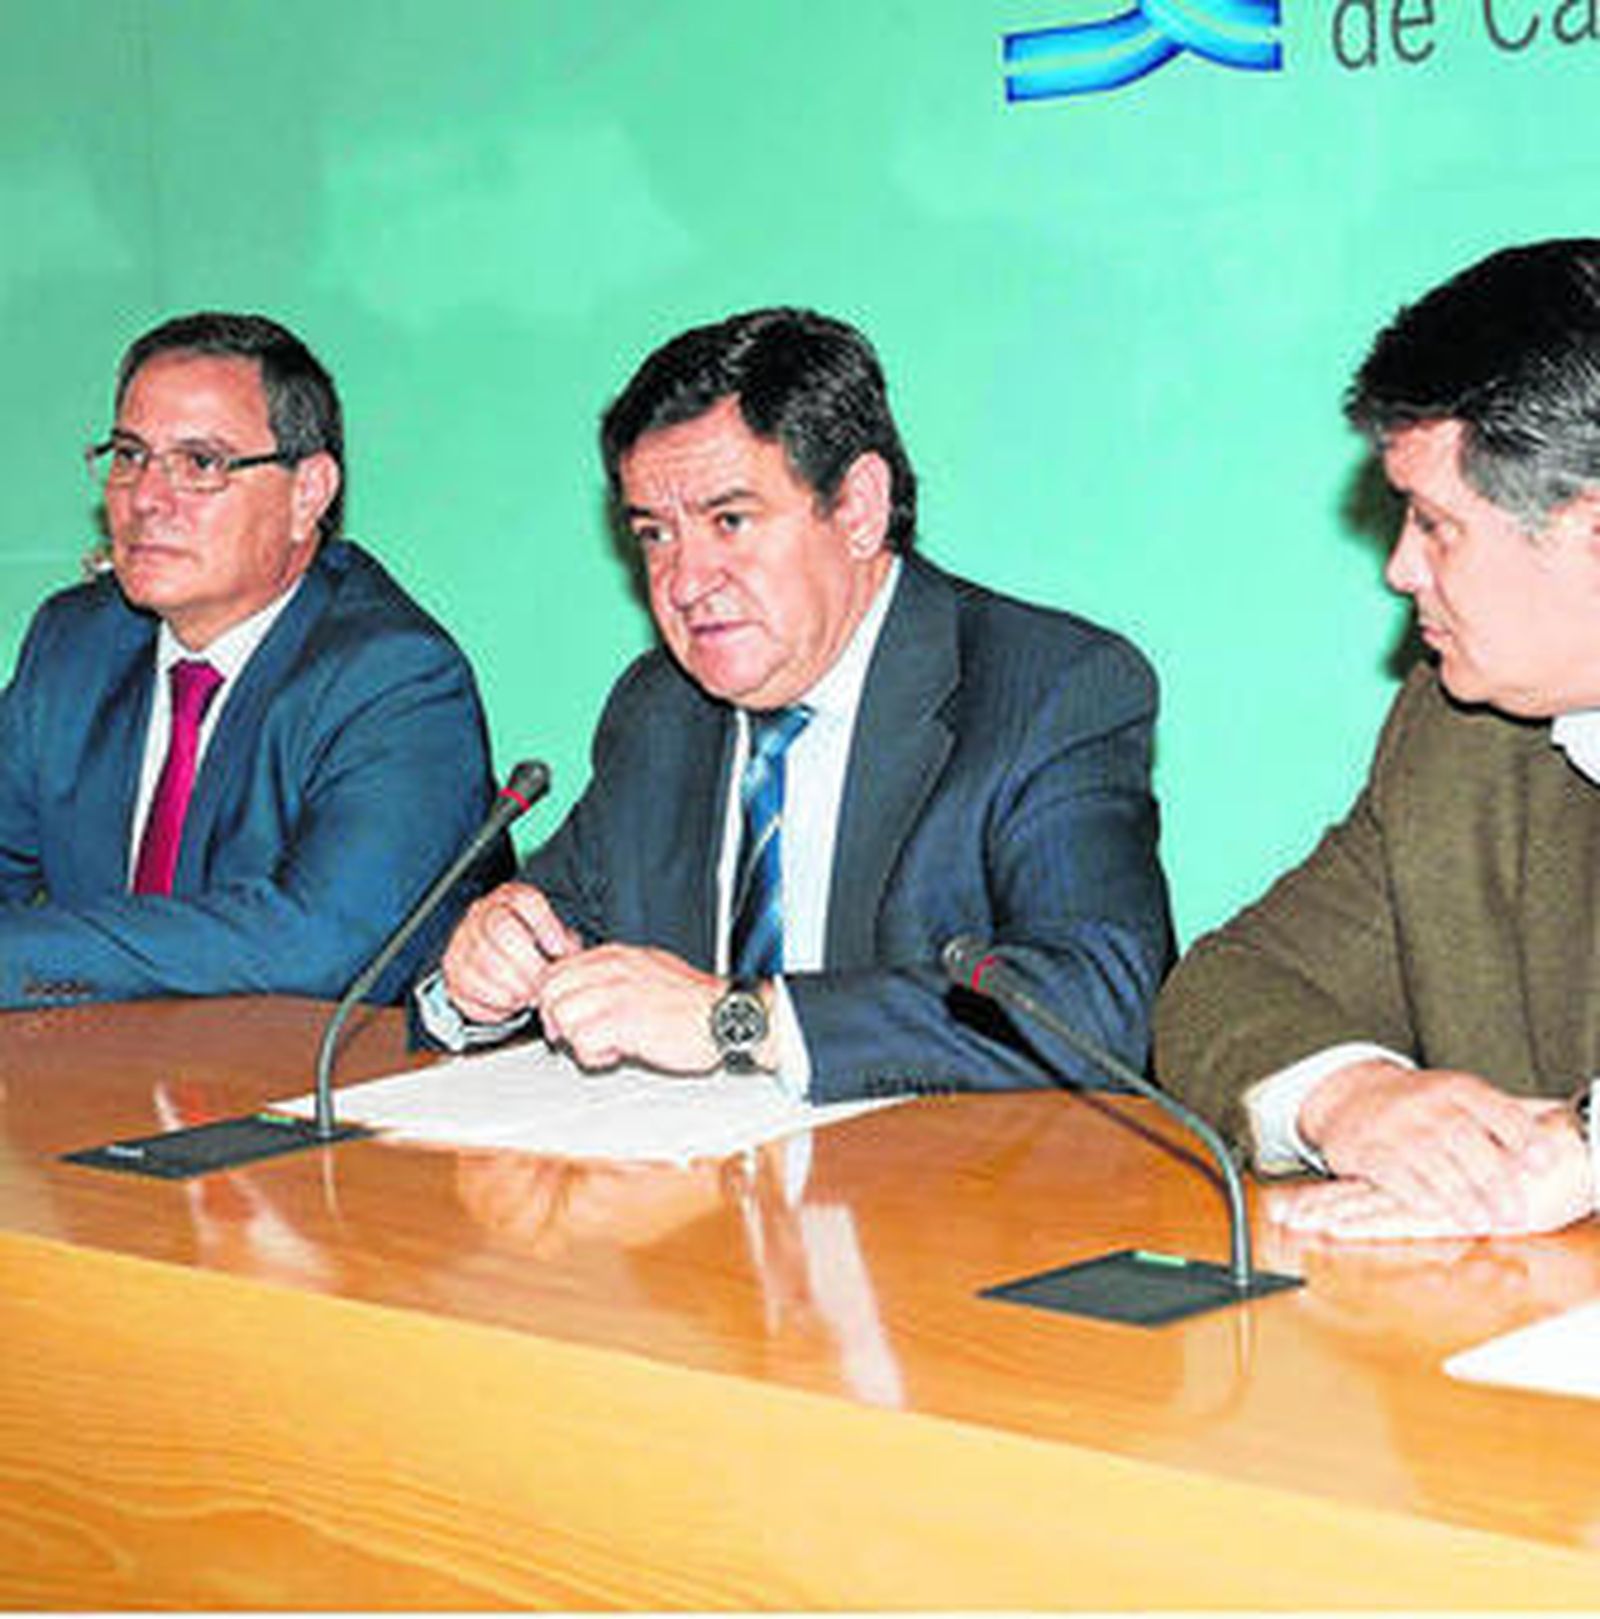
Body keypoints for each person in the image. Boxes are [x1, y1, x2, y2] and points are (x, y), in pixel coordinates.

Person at [425, 306, 1170, 1103]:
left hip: (953, 1202)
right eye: (655, 535)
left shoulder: (1046, 689)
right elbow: (546, 931)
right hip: (701, 1200)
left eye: (729, 520)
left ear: (857, 508)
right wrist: (477, 982)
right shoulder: (661, 712)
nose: (683, 581)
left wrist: (740, 1020)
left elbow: (1098, 1008)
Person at [1154, 239, 1600, 1240]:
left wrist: (1579, 1150)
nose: (1399, 569)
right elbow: (1228, 982)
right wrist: (1350, 1096)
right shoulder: (1457, 732)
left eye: (1435, 524)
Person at [0, 310, 502, 1008]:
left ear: (308, 494)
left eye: (200, 463)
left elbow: (319, 948)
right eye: (129, 454)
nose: (145, 497)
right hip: (100, 1085)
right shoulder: (75, 642)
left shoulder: (395, 678)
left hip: (319, 1095)